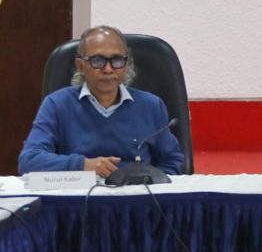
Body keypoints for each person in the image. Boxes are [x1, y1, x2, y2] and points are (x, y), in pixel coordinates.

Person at [19, 26, 184, 177]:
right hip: (80, 196)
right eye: (97, 61)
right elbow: (29, 160)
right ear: (81, 66)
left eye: (117, 60)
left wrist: (152, 184)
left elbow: (173, 162)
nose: (108, 69)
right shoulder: (57, 104)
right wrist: (82, 165)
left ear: (126, 64)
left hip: (138, 196)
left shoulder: (151, 106)